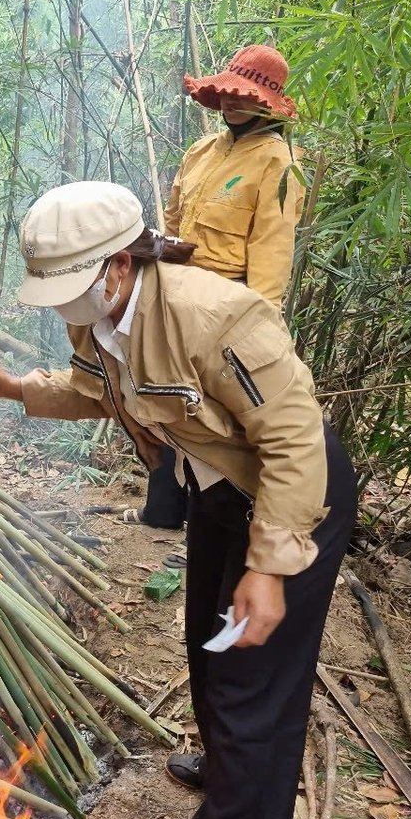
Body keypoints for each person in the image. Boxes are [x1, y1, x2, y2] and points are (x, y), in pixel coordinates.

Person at [0, 182, 355, 819]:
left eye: (72, 286)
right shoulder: (98, 316)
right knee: (208, 644)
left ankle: (243, 809)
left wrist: (271, 568)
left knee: (255, 678)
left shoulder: (216, 317)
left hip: (294, 495)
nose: (64, 309)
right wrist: (14, 387)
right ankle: (227, 768)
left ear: (122, 263)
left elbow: (293, 438)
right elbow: (103, 390)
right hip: (217, 486)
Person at [125, 43, 306, 532]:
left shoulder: (279, 164)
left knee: (216, 418)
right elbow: (177, 223)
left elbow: (272, 254)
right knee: (165, 400)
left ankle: (222, 520)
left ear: (267, 102)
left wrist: (261, 331)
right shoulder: (202, 150)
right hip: (176, 296)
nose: (229, 103)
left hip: (226, 310)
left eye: (240, 96)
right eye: (224, 93)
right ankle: (162, 510)